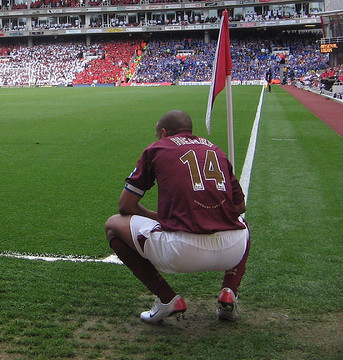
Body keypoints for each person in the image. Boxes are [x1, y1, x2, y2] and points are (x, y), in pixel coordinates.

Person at [104, 110, 250, 323]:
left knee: (112, 225)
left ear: (163, 132)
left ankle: (166, 299)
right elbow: (240, 206)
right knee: (243, 224)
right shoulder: (215, 150)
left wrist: (155, 216)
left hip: (180, 251)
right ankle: (229, 291)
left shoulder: (157, 148)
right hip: (231, 250)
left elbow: (125, 206)